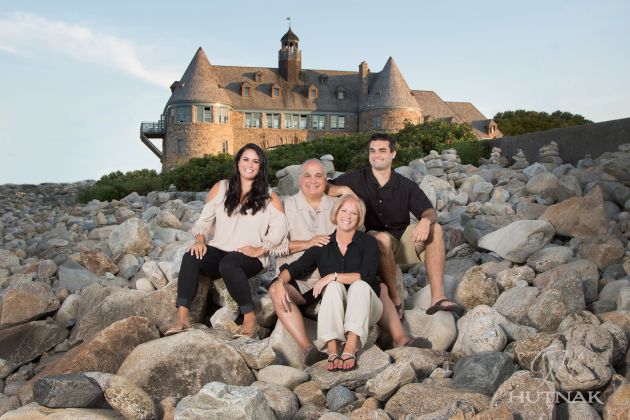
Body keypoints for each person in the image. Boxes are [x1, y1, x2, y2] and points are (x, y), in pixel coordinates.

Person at [269, 159, 430, 367]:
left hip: (344, 281)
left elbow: (364, 263)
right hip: (307, 282)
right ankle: (313, 349)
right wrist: (281, 279)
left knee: (368, 286)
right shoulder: (288, 210)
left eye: (318, 176)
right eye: (307, 175)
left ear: (326, 180)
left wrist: (345, 191)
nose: (313, 180)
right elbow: (281, 255)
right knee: (284, 288)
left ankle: (394, 339)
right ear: (299, 179)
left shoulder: (341, 209)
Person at [328, 133, 463, 317]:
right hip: (373, 242)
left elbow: (430, 212)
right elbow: (327, 186)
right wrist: (343, 189)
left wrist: (424, 221)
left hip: (402, 241)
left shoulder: (405, 185)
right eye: (372, 151)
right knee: (382, 238)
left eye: (382, 151)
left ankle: (437, 297)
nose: (376, 155)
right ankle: (395, 299)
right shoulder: (357, 178)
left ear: (393, 154)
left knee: (436, 229)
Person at [166, 143, 287, 338]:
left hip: (249, 256)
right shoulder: (221, 188)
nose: (250, 165)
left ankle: (250, 319)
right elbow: (204, 221)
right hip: (220, 250)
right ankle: (183, 317)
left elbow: (280, 228)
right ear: (238, 162)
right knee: (191, 257)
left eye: (255, 161)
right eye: (245, 159)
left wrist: (261, 249)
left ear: (261, 166)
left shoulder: (269, 196)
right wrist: (200, 240)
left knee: (230, 264)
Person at [276, 194, 381, 372]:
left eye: (354, 213)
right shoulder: (323, 244)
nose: (347, 216)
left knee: (360, 285)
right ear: (336, 213)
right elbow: (295, 269)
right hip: (337, 310)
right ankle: (332, 349)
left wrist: (333, 276)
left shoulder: (368, 242)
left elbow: (367, 276)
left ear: (359, 218)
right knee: (332, 287)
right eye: (343, 211)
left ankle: (350, 347)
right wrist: (279, 283)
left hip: (368, 307)